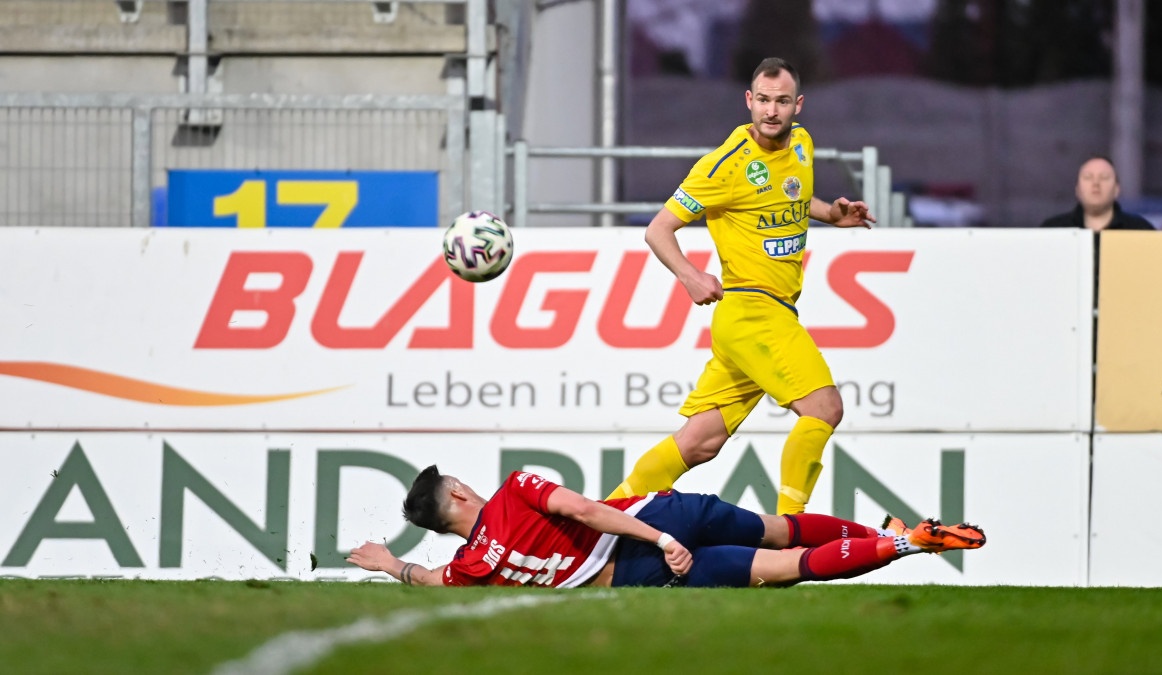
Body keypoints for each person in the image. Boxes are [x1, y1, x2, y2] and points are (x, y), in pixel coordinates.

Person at [607, 57, 875, 515]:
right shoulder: (724, 166)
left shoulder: (802, 143)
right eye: (763, 100)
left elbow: (792, 195)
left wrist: (833, 214)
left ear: (798, 105)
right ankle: (788, 533)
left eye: (782, 101)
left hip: (759, 318)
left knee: (699, 442)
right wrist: (691, 276)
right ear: (749, 100)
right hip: (753, 311)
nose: (771, 111)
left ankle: (600, 521)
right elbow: (658, 230)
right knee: (824, 408)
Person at [346, 465, 986, 589]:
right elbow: (585, 510)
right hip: (656, 524)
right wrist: (659, 535)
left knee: (785, 568)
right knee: (783, 529)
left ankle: (902, 543)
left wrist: (389, 563)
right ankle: (892, 533)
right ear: (458, 491)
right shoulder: (515, 489)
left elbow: (427, 578)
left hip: (641, 574)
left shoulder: (470, 569)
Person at [1038, 156, 1155, 231]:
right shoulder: (1053, 230)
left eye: (1104, 177)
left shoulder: (1140, 230)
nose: (1096, 183)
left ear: (1116, 189)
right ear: (1077, 189)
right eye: (1088, 177)